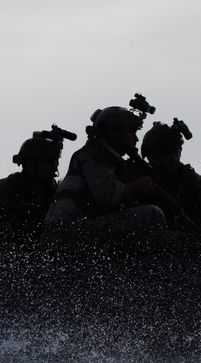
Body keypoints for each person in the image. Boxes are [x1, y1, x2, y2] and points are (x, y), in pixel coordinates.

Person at [41, 100, 166, 252]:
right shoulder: (96, 154)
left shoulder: (101, 156)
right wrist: (138, 185)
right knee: (152, 214)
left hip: (69, 231)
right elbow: (106, 194)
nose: (136, 139)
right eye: (131, 132)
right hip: (68, 232)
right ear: (115, 133)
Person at [0, 126, 73, 249]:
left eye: (56, 162)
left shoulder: (55, 193)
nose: (54, 168)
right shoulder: (2, 191)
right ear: (30, 163)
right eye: (48, 162)